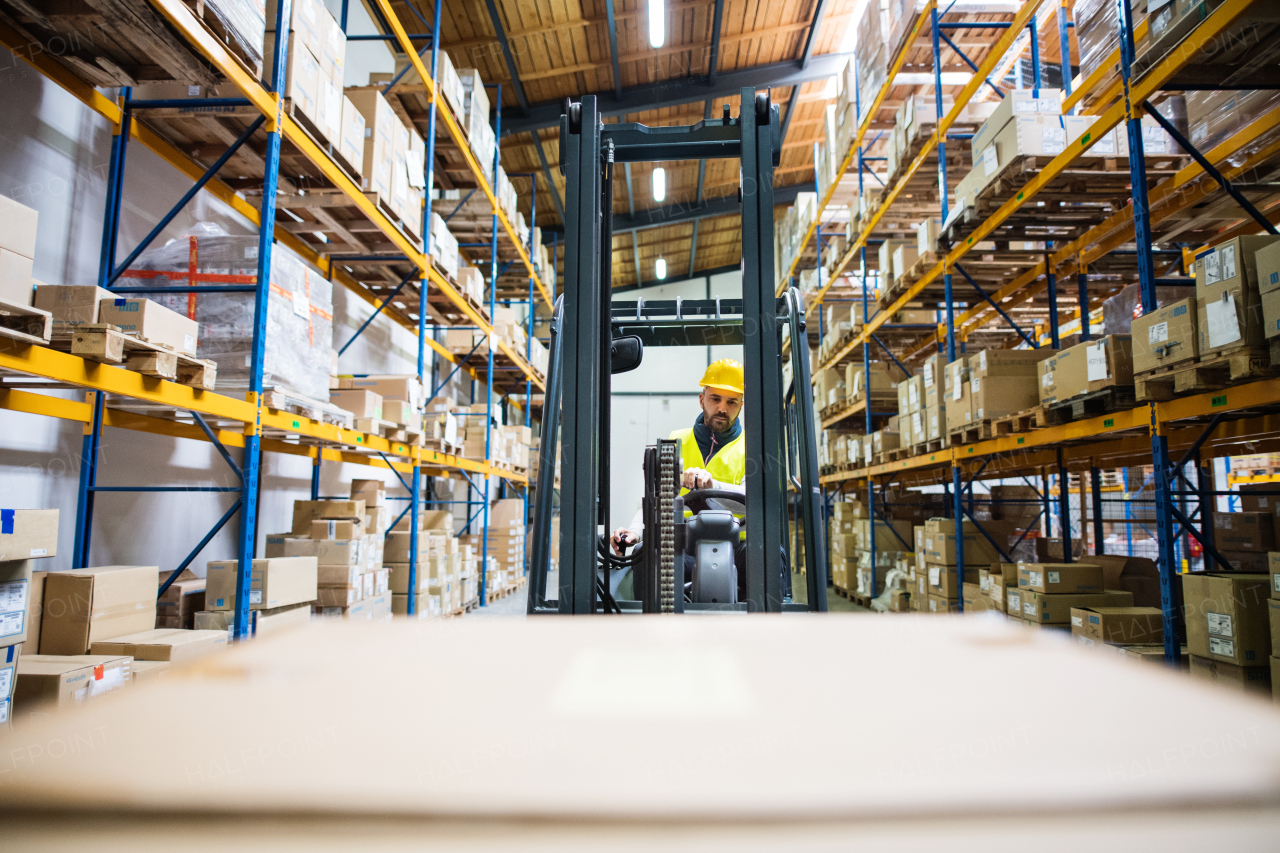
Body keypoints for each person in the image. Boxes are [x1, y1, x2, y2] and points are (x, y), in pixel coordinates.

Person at [610, 358, 746, 556]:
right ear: (702, 400)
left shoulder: (750, 445)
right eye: (715, 399)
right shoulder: (676, 440)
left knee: (771, 556)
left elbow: (752, 501)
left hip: (736, 544)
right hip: (686, 544)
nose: (722, 409)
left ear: (741, 405)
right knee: (645, 555)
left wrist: (712, 487)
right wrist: (635, 531)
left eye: (731, 402)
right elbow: (657, 498)